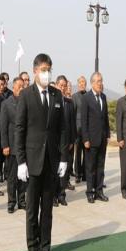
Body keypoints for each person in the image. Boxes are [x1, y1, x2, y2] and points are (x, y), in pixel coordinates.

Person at [15, 53, 67, 251]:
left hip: (51, 161)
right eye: (43, 69)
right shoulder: (26, 95)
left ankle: (46, 248)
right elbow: (20, 128)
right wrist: (21, 161)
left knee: (48, 208)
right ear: (35, 70)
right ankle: (33, 250)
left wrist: (64, 158)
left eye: (49, 69)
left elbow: (62, 128)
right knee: (32, 209)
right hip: (33, 159)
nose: (47, 73)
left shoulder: (57, 95)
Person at [81, 72, 110, 203]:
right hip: (91, 140)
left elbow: (106, 118)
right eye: (98, 81)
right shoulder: (86, 98)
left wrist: (108, 134)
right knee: (90, 168)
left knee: (100, 167)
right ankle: (90, 192)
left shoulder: (103, 97)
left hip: (102, 139)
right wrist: (85, 138)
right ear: (92, 82)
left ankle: (99, 191)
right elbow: (84, 120)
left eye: (101, 81)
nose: (100, 83)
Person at [0, 77, 26, 213]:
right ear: (14, 87)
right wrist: (5, 145)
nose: (21, 89)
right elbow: (3, 127)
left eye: (23, 86)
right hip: (11, 146)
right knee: (12, 177)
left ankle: (22, 201)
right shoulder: (6, 104)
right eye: (19, 86)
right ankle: (11, 202)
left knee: (23, 176)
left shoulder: (26, 103)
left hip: (24, 147)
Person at [53, 75, 76, 206]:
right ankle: (53, 197)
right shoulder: (52, 101)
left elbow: (72, 124)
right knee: (54, 172)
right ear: (56, 85)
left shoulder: (69, 102)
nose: (62, 87)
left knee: (64, 171)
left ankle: (62, 195)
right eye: (60, 85)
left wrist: (72, 140)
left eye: (64, 85)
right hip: (54, 143)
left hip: (66, 143)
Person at [72, 76, 87, 183]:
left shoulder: (89, 95)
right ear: (78, 84)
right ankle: (77, 174)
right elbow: (72, 115)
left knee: (87, 153)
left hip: (87, 130)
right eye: (80, 82)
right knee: (78, 153)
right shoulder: (74, 97)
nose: (82, 84)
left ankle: (85, 173)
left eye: (84, 82)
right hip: (77, 130)